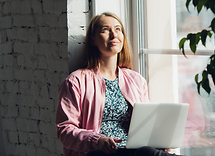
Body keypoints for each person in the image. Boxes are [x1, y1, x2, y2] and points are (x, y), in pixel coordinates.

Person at [56, 12, 182, 156]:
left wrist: (157, 142)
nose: (113, 34)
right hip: (95, 152)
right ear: (93, 40)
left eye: (118, 29)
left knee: (148, 152)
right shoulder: (76, 81)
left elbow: (146, 124)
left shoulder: (136, 80)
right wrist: (98, 140)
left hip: (132, 150)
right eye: (105, 30)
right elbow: (64, 130)